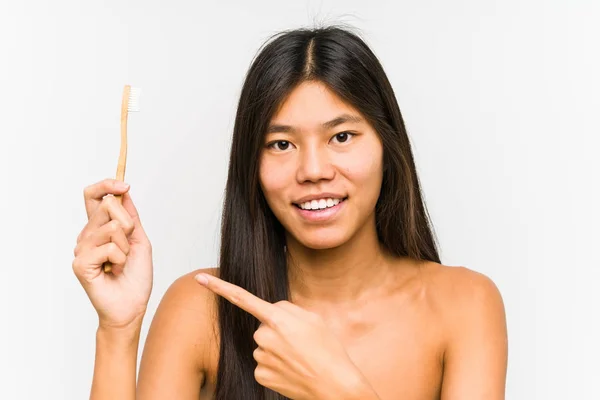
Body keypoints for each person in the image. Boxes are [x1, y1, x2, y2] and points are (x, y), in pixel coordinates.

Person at [72, 25, 508, 400]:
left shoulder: (464, 305)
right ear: (252, 165)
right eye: (281, 144)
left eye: (342, 136)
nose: (314, 171)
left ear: (387, 148)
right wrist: (118, 329)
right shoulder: (201, 308)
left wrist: (338, 387)